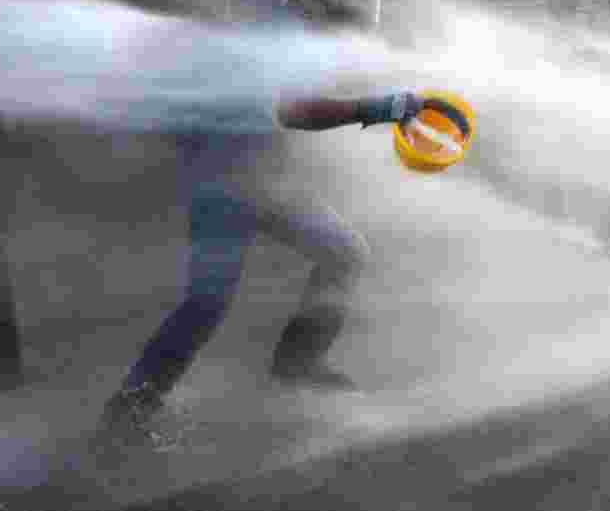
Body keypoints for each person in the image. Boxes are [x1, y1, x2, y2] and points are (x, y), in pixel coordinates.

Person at [94, 25, 469, 446]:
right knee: (207, 302)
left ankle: (296, 363)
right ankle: (128, 409)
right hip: (221, 191)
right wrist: (382, 106)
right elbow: (294, 110)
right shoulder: (235, 50)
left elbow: (288, 108)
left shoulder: (263, 44)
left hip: (269, 184)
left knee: (344, 252)